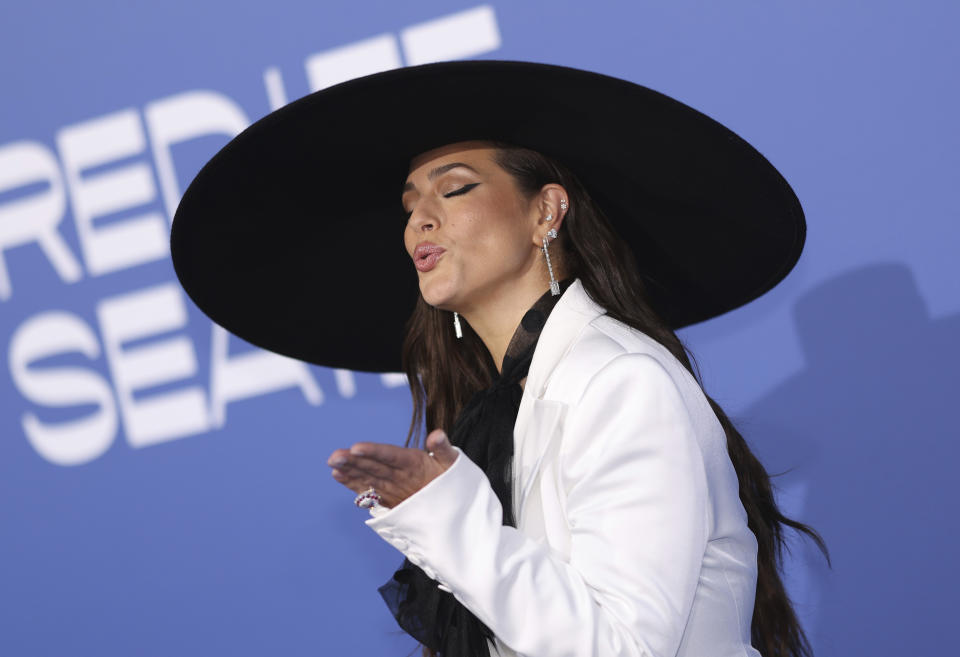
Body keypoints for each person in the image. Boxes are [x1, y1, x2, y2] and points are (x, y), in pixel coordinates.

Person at [169, 61, 829, 657]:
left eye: (453, 190)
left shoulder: (624, 381)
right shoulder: (491, 415)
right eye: (409, 206)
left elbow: (622, 647)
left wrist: (444, 516)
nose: (419, 220)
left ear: (546, 211)